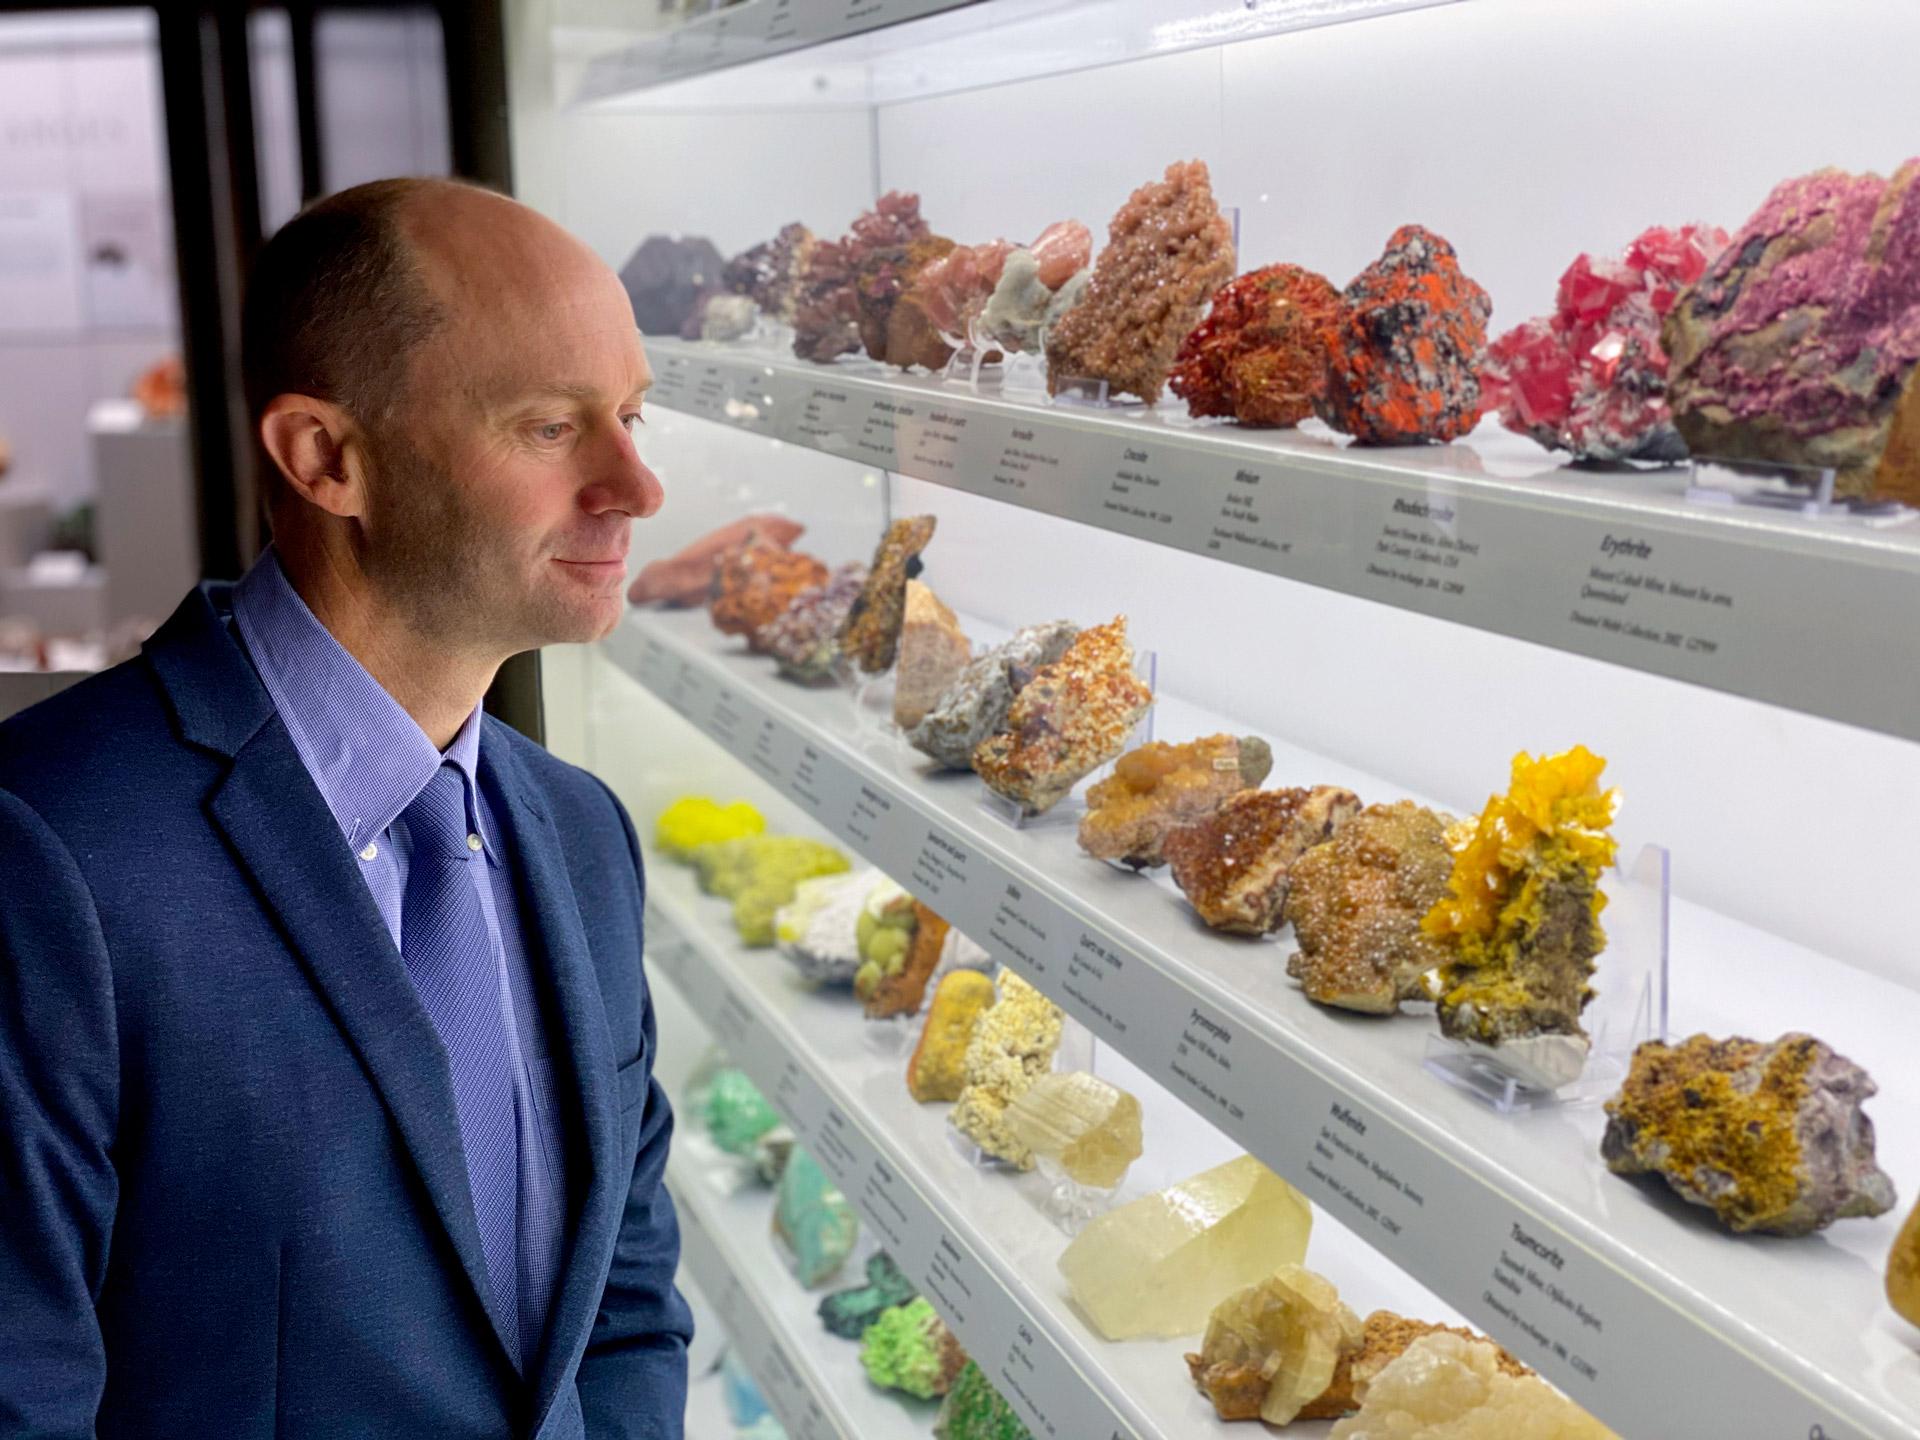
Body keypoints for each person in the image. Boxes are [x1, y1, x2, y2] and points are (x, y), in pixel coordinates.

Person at [0, 177, 690, 1438]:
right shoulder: (44, 852)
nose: (637, 487)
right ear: (326, 458)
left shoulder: (583, 836)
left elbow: (629, 1304)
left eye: (636, 417)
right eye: (552, 427)